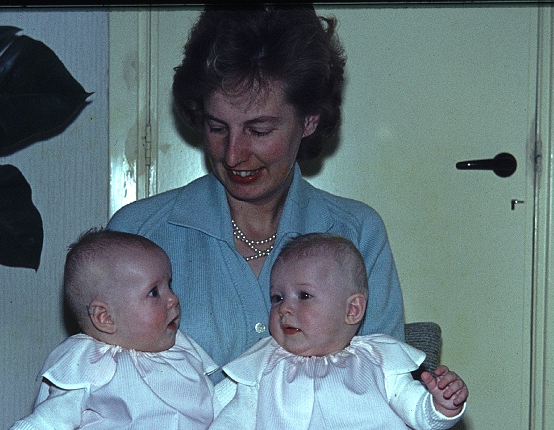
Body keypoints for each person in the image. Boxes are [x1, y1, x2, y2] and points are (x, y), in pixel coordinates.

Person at [107, 5, 405, 376]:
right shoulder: (137, 233)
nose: (233, 154)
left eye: (259, 130)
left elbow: (389, 389)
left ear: (310, 119)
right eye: (217, 128)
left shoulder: (357, 233)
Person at [182, 233, 469, 430]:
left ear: (353, 309)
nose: (284, 309)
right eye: (277, 298)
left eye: (303, 295)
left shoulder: (379, 360)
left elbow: (417, 411)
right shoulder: (261, 367)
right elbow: (233, 422)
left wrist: (440, 406)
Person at [0, 229, 230, 430]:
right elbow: (49, 421)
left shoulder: (183, 351)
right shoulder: (91, 361)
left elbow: (212, 404)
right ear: (105, 317)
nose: (173, 299)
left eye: (169, 285)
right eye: (154, 292)